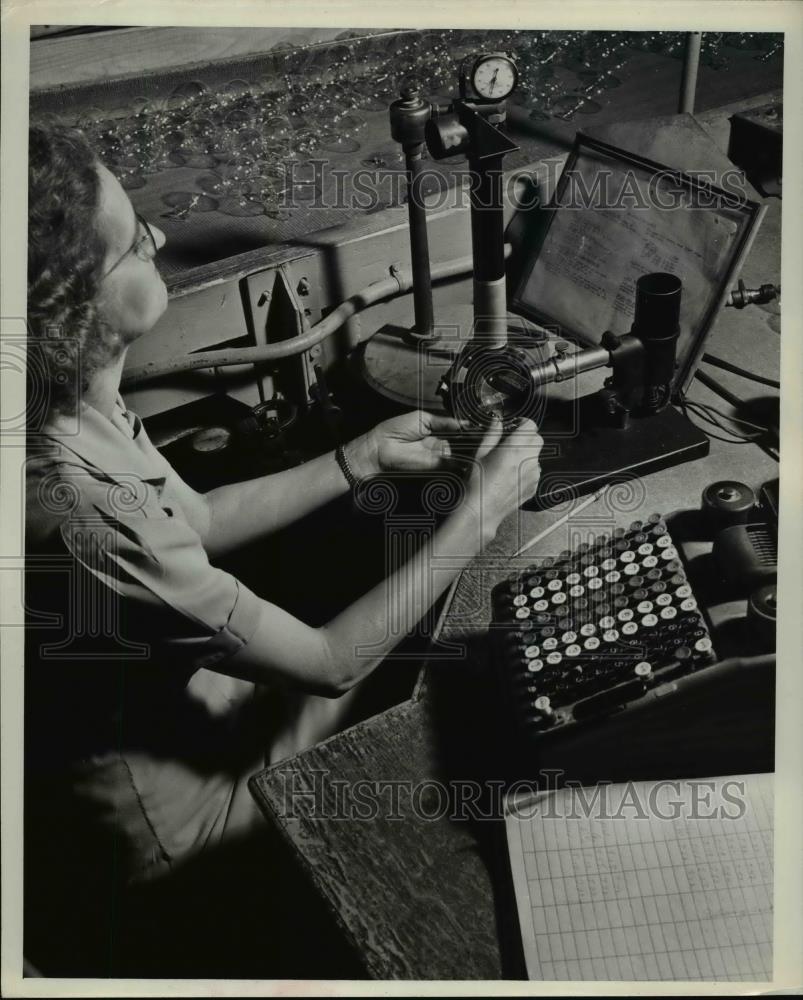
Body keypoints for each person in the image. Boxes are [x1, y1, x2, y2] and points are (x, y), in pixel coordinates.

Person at [24, 120, 542, 975]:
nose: (157, 236)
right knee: (459, 684)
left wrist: (358, 457)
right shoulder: (85, 516)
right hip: (175, 829)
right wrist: (482, 511)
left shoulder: (66, 391)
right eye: (132, 246)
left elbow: (198, 520)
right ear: (70, 304)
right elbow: (334, 661)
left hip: (179, 704)